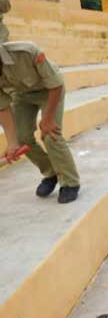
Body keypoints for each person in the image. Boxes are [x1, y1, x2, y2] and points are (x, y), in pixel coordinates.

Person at [0, 42, 80, 203]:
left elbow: (56, 85)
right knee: (22, 138)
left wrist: (48, 119)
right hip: (21, 96)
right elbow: (2, 107)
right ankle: (51, 173)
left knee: (50, 134)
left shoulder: (26, 52)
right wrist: (12, 142)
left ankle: (70, 182)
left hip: (49, 90)